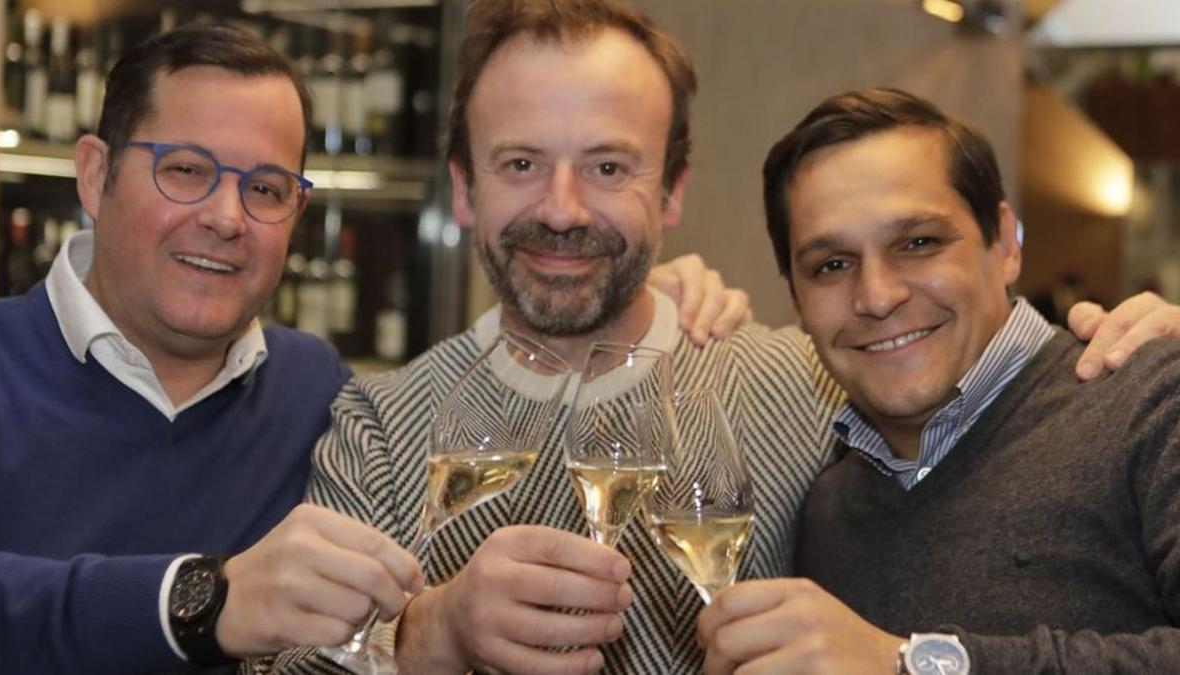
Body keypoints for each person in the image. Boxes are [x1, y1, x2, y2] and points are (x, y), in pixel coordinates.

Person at [295, 4, 1178, 675]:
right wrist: (426, 634)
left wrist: (1132, 345)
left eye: (609, 166)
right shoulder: (376, 421)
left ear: (672, 192)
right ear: (463, 187)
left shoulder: (816, 384)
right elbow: (281, 657)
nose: (562, 209)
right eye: (520, 163)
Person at [0, 23, 746, 675]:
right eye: (186, 170)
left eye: (268, 188)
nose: (225, 217)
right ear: (94, 173)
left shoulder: (318, 393)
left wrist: (643, 290)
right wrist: (202, 599)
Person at [697, 88, 1180, 674]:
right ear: (796, 300)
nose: (877, 297)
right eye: (831, 265)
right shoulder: (830, 505)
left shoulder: (1151, 395)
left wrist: (914, 662)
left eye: (919, 243)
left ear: (1003, 243)